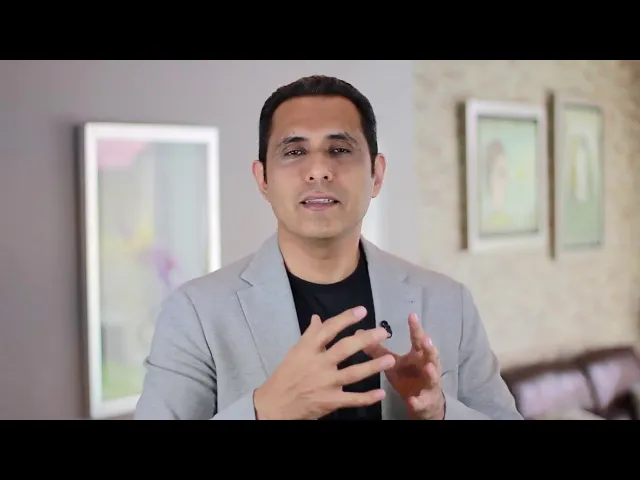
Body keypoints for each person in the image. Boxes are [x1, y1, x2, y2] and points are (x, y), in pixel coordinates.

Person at [134, 75, 523, 420]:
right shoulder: (195, 314)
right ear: (263, 179)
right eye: (294, 151)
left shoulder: (449, 303)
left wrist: (440, 412)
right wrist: (264, 412)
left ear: (376, 174)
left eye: (339, 149)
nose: (319, 170)